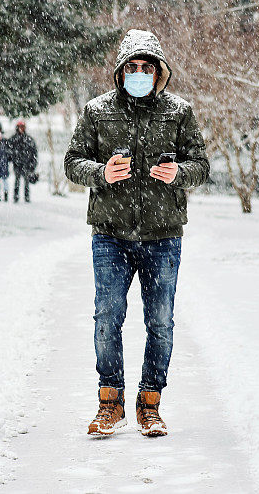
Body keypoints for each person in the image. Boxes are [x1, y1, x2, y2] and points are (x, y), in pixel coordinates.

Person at [64, 29, 209, 437]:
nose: (140, 73)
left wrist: (180, 172)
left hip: (163, 236)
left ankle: (150, 402)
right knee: (107, 318)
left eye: (147, 67)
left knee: (160, 322)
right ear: (121, 71)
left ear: (159, 72)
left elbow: (202, 165)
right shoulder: (97, 112)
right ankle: (109, 402)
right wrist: (101, 173)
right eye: (133, 67)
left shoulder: (179, 112)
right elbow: (73, 162)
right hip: (110, 235)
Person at [7, 120, 38, 203]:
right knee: (17, 180)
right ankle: (16, 196)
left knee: (26, 181)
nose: (21, 129)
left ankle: (26, 197)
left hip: (26, 164)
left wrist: (33, 163)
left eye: (23, 127)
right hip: (17, 164)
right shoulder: (13, 139)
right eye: (20, 127)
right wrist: (12, 158)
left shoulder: (29, 139)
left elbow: (34, 152)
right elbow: (8, 151)